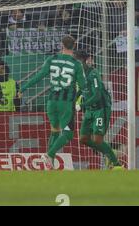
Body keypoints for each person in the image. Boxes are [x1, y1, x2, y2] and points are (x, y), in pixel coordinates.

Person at [18, 35, 88, 170]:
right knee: (68, 134)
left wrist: (23, 88)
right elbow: (83, 86)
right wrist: (77, 98)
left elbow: (39, 76)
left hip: (51, 102)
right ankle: (49, 154)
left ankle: (50, 164)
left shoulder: (52, 59)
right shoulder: (76, 64)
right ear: (74, 46)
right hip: (66, 103)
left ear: (62, 45)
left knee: (55, 131)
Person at [73, 50, 122, 169]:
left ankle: (116, 164)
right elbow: (80, 89)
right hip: (89, 110)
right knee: (83, 139)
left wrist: (82, 106)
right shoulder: (78, 74)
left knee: (97, 140)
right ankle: (110, 152)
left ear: (84, 61)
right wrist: (73, 102)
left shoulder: (93, 73)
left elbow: (97, 95)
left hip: (100, 109)